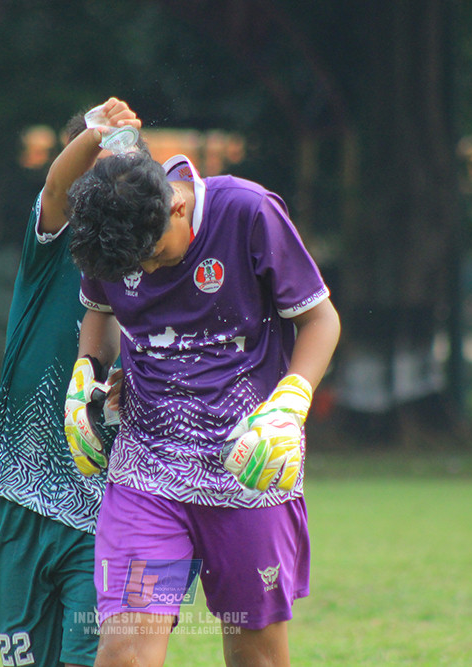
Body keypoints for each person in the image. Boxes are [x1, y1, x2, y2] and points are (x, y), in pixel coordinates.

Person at [64, 149, 341, 667]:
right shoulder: (114, 235)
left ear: (175, 206)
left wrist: (292, 401)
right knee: (124, 655)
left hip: (248, 471)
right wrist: (86, 377)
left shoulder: (248, 211)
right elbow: (100, 314)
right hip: (146, 475)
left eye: (152, 255)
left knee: (255, 658)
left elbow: (321, 320)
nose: (144, 271)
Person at [0, 98, 141, 667]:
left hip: (103, 508)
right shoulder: (54, 247)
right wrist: (99, 134)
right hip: (19, 489)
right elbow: (59, 187)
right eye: (98, 176)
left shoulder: (153, 268)